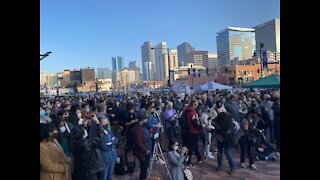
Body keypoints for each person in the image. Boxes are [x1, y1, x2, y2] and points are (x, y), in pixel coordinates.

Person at [71, 114, 105, 180]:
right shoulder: (88, 143)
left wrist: (84, 126)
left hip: (79, 170)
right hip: (90, 172)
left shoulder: (74, 143)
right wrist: (98, 122)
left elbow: (78, 134)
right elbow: (100, 136)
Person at [132, 114, 152, 180]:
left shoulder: (143, 126)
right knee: (143, 169)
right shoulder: (138, 129)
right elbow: (138, 142)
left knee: (145, 168)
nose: (146, 120)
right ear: (142, 120)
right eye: (145, 119)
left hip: (147, 149)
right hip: (143, 152)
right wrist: (145, 151)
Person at [99, 116, 118, 180]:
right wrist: (112, 143)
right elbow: (104, 146)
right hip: (104, 159)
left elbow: (116, 139)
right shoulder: (99, 134)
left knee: (110, 176)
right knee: (103, 177)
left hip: (112, 158)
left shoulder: (109, 131)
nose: (106, 124)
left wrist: (110, 143)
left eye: (107, 123)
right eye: (104, 123)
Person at [185, 100, 203, 167]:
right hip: (193, 131)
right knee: (191, 147)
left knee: (195, 146)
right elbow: (195, 122)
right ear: (194, 104)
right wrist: (201, 127)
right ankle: (188, 162)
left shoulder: (188, 111)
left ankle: (199, 158)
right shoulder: (192, 112)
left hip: (191, 130)